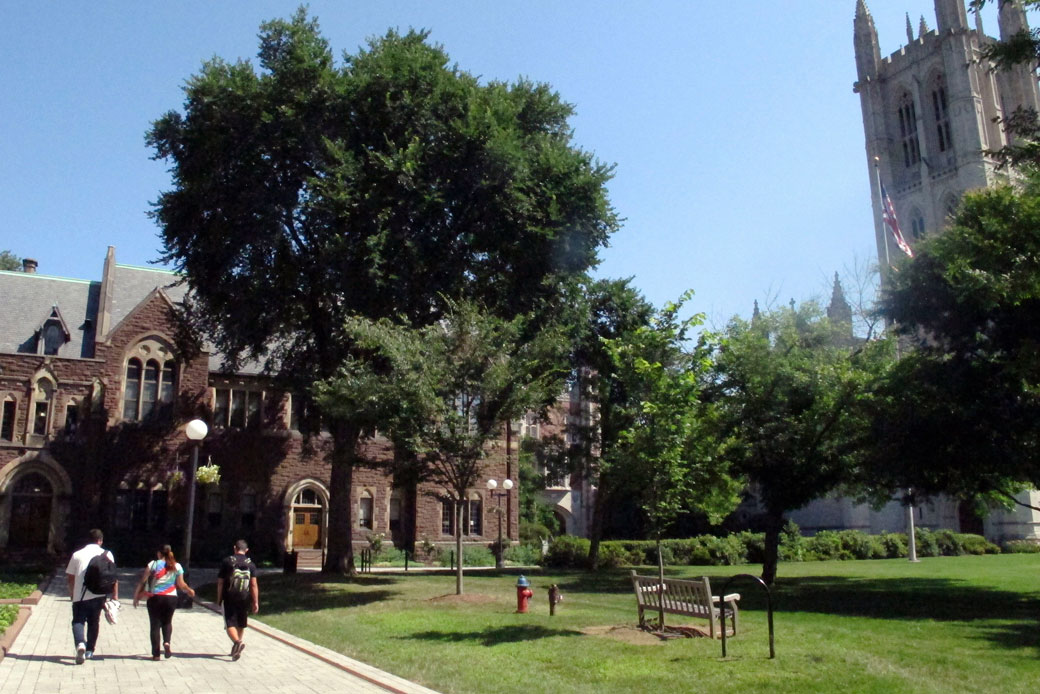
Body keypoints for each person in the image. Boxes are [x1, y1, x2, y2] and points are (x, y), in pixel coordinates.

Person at [133, 544, 195, 661]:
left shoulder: (153, 564)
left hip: (155, 597)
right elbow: (181, 584)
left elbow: (143, 581)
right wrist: (189, 591)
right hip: (171, 598)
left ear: (159, 553)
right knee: (167, 622)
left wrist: (136, 596)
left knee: (155, 625)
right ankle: (167, 643)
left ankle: (156, 654)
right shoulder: (176, 566)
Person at [65, 529, 118, 664]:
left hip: (80, 596)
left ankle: (80, 644)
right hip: (100, 594)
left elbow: (70, 577)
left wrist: (72, 593)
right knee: (94, 622)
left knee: (78, 621)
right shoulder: (107, 554)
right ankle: (89, 651)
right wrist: (114, 596)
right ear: (100, 540)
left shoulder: (77, 555)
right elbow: (113, 576)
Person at [216, 539, 258, 661]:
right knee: (240, 622)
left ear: (235, 548)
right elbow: (254, 584)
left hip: (229, 596)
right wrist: (255, 601)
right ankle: (236, 647)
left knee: (229, 622)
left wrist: (218, 599)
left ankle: (237, 642)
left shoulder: (227, 561)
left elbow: (220, 582)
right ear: (246, 550)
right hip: (244, 597)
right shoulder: (251, 564)